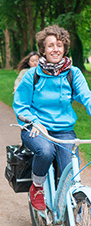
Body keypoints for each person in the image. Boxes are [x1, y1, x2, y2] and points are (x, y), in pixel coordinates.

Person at [13, 25, 91, 211]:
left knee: (71, 171)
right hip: (35, 128)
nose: (55, 49)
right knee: (46, 151)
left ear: (65, 48)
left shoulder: (74, 73)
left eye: (59, 45)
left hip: (64, 130)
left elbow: (87, 97)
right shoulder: (33, 75)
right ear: (43, 49)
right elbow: (20, 105)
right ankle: (38, 187)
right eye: (50, 45)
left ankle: (72, 213)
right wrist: (35, 122)